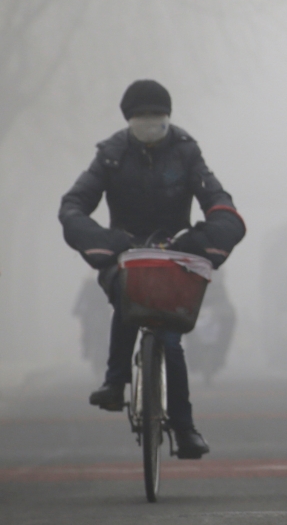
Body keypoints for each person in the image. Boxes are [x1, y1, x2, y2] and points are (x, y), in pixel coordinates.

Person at [59, 80, 246, 459]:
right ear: (129, 119)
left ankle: (184, 427)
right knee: (128, 298)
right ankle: (115, 382)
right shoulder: (110, 155)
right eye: (142, 116)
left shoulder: (185, 152)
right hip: (123, 252)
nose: (150, 122)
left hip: (173, 254)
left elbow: (218, 202)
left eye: (157, 115)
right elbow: (75, 204)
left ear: (168, 117)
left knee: (170, 340)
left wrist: (202, 241)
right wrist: (104, 243)